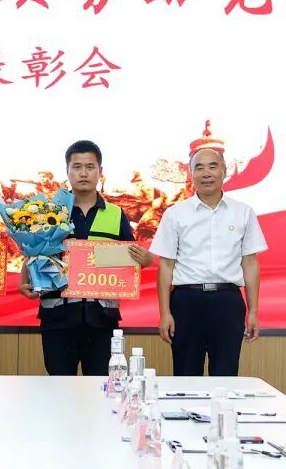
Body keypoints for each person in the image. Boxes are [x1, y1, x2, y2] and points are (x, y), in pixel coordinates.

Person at [19, 140, 154, 376]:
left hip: (102, 318)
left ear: (100, 171)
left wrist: (146, 259)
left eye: (90, 167)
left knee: (102, 387)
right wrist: (24, 281)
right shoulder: (49, 212)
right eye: (77, 167)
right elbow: (33, 251)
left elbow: (131, 256)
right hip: (57, 316)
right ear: (67, 171)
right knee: (59, 387)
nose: (83, 173)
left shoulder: (115, 214)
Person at [149, 145, 266, 376]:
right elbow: (166, 266)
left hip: (227, 301)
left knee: (226, 374)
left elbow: (250, 263)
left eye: (213, 167)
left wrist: (253, 311)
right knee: (185, 375)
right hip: (186, 302)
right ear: (191, 174)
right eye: (199, 168)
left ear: (224, 171)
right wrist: (165, 313)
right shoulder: (175, 214)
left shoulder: (243, 212)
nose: (206, 173)